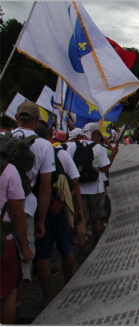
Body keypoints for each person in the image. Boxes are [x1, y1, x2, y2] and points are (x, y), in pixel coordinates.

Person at [5, 102, 54, 317]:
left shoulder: (2, 138)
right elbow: (45, 189)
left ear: (16, 117)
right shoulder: (44, 146)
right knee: (23, 262)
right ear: (36, 121)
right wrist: (41, 221)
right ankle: (14, 310)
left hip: (1, 210)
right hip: (25, 209)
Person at [33, 124, 83, 309]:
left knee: (43, 256)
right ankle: (68, 287)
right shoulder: (60, 153)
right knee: (66, 249)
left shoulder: (24, 150)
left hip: (38, 210)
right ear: (49, 136)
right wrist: (78, 210)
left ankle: (47, 297)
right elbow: (74, 182)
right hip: (60, 208)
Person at [66, 123, 118, 252]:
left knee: (80, 219)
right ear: (94, 133)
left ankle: (82, 248)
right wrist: (114, 154)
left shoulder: (70, 147)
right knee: (96, 219)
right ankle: (95, 242)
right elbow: (104, 168)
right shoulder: (98, 148)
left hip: (78, 189)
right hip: (96, 188)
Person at [0, 163, 33, 324]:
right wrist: (25, 248)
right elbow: (18, 215)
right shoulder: (7, 170)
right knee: (9, 290)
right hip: (3, 242)